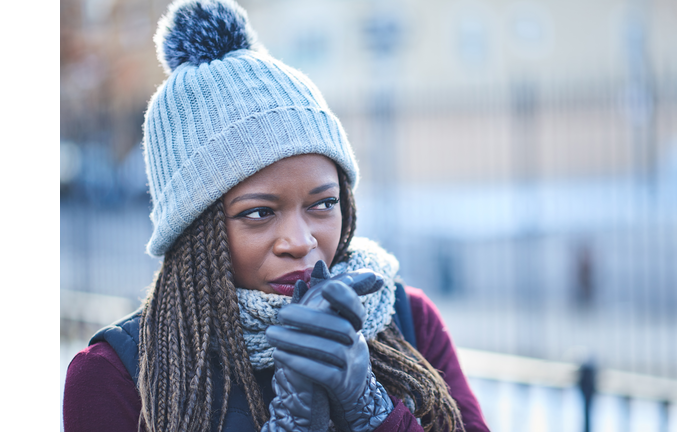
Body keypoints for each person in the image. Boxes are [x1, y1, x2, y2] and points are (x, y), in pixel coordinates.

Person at [62, 1, 489, 431]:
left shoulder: (407, 321)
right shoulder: (115, 376)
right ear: (193, 230)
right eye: (260, 212)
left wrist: (370, 407)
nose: (300, 241)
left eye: (323, 204)